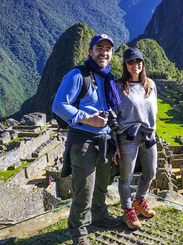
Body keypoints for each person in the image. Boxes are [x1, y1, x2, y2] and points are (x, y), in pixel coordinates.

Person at [53, 34, 122, 245]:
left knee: (102, 184)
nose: (104, 53)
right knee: (84, 191)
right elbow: (59, 105)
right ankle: (79, 233)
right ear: (90, 51)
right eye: (99, 48)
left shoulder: (107, 77)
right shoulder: (77, 75)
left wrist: (115, 143)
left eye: (108, 49)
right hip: (83, 141)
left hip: (105, 141)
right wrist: (87, 119)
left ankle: (100, 217)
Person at [114, 47, 158, 229]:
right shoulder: (118, 87)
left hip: (148, 135)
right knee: (126, 177)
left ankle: (139, 201)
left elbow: (153, 111)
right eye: (131, 62)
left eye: (138, 61)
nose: (135, 65)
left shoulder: (151, 84)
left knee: (151, 172)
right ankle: (127, 210)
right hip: (127, 137)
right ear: (125, 65)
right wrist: (114, 143)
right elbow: (113, 115)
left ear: (143, 63)